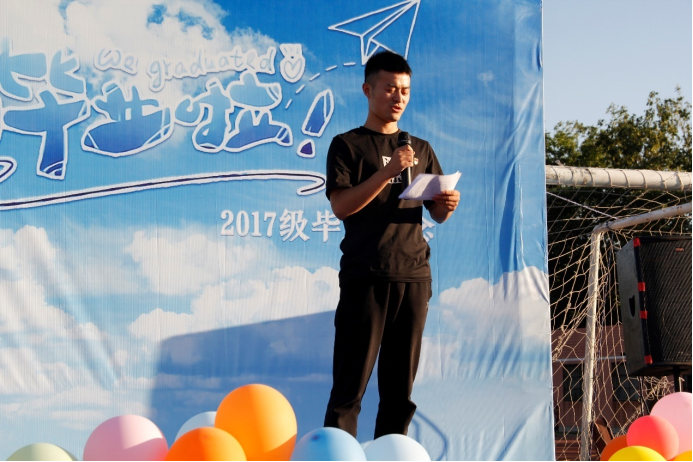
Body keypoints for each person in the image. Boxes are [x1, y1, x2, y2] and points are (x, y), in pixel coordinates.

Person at [323, 50, 461, 439]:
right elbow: (341, 206)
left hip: (413, 276)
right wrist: (388, 171)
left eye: (405, 90)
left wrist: (447, 203)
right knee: (349, 390)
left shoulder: (421, 148)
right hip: (365, 276)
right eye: (389, 88)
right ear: (368, 90)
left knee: (400, 393)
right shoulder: (347, 145)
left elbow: (437, 214)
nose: (398, 97)